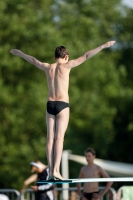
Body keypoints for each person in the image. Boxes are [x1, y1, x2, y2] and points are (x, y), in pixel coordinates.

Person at [10, 41, 115, 180]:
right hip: (62, 105)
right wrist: (103, 46)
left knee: (50, 138)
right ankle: (55, 170)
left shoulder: (48, 67)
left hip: (50, 104)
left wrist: (19, 53)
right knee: (59, 138)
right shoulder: (67, 66)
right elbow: (86, 56)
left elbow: (34, 61)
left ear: (54, 57)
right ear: (66, 57)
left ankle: (49, 167)